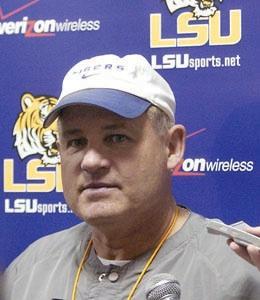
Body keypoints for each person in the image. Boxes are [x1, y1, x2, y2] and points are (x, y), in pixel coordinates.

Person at [3, 54, 260, 300]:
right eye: (76, 141)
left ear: (171, 147)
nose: (91, 161)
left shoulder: (240, 274)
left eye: (116, 138)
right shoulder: (27, 272)